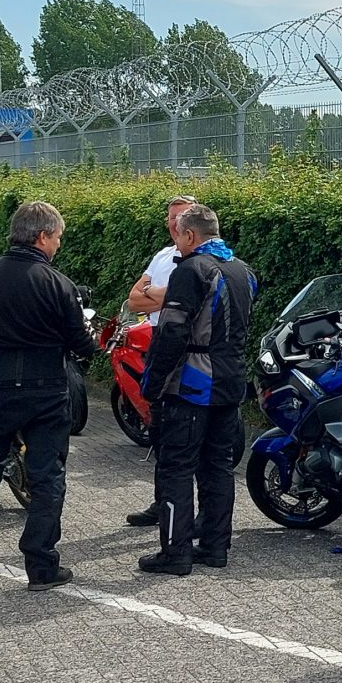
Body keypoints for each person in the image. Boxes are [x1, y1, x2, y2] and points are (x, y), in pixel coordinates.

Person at [0, 201, 97, 590]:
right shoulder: (57, 283)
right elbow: (80, 344)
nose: (58, 246)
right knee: (48, 478)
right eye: (58, 238)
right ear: (43, 236)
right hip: (45, 389)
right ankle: (41, 565)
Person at [136, 204, 257, 576]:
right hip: (231, 380)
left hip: (192, 384)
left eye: (179, 234)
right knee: (218, 468)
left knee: (176, 468)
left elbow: (172, 331)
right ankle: (215, 547)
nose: (177, 242)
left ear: (190, 236)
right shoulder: (243, 270)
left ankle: (175, 554)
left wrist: (152, 384)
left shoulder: (190, 270)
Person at [120, 194, 197, 529]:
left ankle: (194, 515)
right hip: (156, 344)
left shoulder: (204, 259)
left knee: (191, 435)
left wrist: (157, 295)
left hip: (189, 353)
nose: (173, 223)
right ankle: (161, 503)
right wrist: (163, 297)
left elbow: (187, 298)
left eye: (180, 217)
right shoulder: (163, 256)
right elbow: (133, 300)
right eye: (170, 217)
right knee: (159, 427)